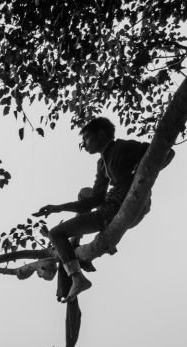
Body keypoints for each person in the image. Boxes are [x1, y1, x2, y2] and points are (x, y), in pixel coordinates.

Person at [33, 117, 175, 301]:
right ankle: (74, 249)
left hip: (118, 209)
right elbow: (92, 201)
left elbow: (168, 152)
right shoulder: (102, 164)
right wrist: (58, 208)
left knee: (55, 234)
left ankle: (78, 279)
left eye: (85, 138)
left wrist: (144, 176)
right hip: (111, 206)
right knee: (84, 192)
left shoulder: (123, 147)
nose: (83, 144)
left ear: (100, 134)